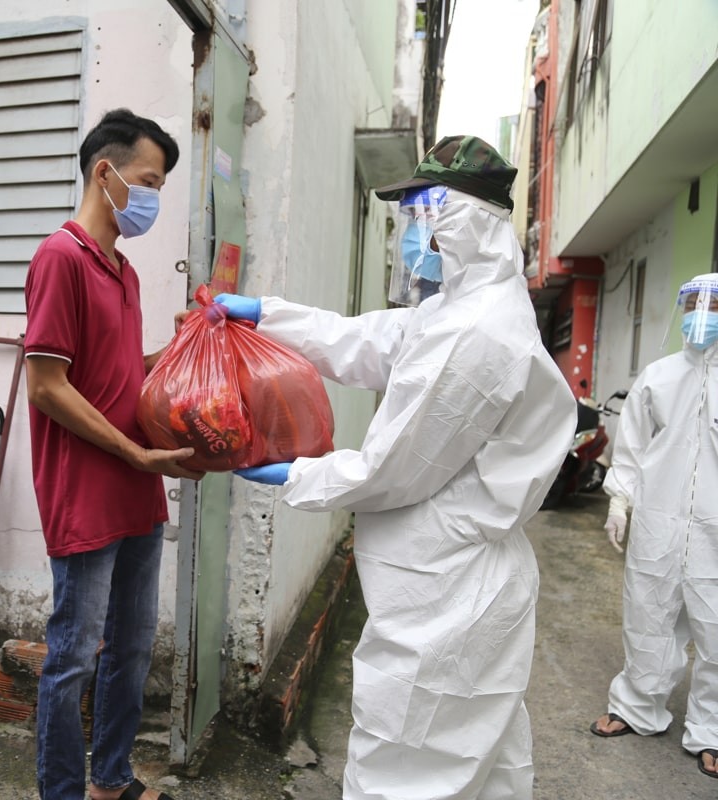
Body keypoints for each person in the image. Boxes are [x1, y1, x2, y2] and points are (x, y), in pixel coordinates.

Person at [215, 135, 576, 799]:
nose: (412, 229)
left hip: (445, 598)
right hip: (450, 578)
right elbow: (368, 342)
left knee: (406, 769)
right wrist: (269, 317)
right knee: (479, 766)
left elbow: (395, 470)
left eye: (423, 210)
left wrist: (297, 475)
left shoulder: (477, 335)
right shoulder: (454, 311)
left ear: (464, 220)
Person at [23, 108, 202, 800]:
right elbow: (46, 385)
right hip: (87, 493)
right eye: (148, 181)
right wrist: (134, 452)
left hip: (136, 490)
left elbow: (125, 377)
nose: (153, 198)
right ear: (106, 172)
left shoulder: (121, 275)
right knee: (72, 657)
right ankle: (64, 792)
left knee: (130, 650)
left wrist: (180, 345)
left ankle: (112, 778)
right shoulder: (60, 259)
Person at [591, 273, 718, 780]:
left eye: (712, 304)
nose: (701, 314)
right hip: (658, 522)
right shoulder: (659, 376)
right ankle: (637, 707)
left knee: (717, 632)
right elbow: (632, 447)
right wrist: (620, 500)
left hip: (715, 528)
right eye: (693, 303)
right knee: (647, 616)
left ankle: (711, 732)